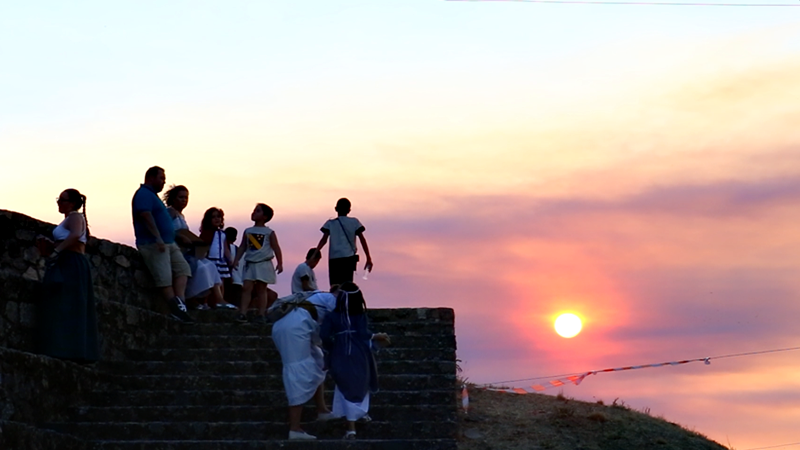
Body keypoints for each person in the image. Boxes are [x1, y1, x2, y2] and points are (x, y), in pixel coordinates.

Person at [36, 189, 100, 363]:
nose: (59, 203)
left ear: (71, 203)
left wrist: (56, 250)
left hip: (72, 263)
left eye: (62, 200)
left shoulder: (75, 217)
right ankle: (62, 348)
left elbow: (76, 235)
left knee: (69, 305)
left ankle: (71, 350)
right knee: (62, 304)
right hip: (65, 262)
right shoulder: (68, 219)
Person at [320, 282, 390, 439]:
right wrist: (376, 336)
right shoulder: (360, 316)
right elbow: (364, 333)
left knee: (344, 387)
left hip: (339, 354)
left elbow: (324, 336)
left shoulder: (331, 317)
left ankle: (351, 428)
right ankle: (359, 415)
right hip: (360, 354)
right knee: (361, 384)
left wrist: (331, 347)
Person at [270, 290, 338, 440]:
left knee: (319, 361)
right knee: (299, 370)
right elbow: (336, 325)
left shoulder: (321, 297)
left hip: (297, 325)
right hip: (293, 329)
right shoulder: (331, 300)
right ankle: (295, 429)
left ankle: (322, 410)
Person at [131, 166, 193, 323]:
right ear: (151, 177)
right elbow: (146, 215)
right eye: (161, 179)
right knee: (164, 278)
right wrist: (157, 237)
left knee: (183, 269)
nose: (163, 182)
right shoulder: (143, 194)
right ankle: (176, 309)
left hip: (169, 242)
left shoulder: (154, 197)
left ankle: (180, 304)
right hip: (153, 243)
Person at [163, 185, 235, 310]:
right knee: (201, 268)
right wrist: (180, 237)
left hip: (186, 250)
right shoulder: (170, 212)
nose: (184, 200)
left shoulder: (181, 216)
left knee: (211, 267)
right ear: (173, 198)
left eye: (186, 197)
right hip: (176, 250)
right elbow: (165, 228)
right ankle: (192, 299)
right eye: (181, 197)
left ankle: (219, 299)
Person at [232, 203, 283, 324]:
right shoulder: (248, 231)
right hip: (250, 263)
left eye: (258, 211)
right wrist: (236, 260)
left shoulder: (269, 232)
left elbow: (276, 247)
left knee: (261, 290)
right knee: (246, 288)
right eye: (254, 210)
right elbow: (243, 246)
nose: (254, 212)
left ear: (265, 216)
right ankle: (243, 313)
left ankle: (261, 314)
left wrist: (280, 263)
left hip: (263, 263)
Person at [316, 198, 373, 288]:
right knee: (347, 287)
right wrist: (368, 258)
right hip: (348, 259)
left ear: (336, 209)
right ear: (349, 210)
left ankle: (336, 301)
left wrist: (315, 252)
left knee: (335, 287)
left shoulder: (330, 223)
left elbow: (323, 240)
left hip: (334, 259)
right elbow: (362, 240)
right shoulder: (354, 222)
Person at [199, 207, 233, 283]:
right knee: (212, 281)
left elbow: (226, 248)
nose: (216, 219)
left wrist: (230, 260)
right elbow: (202, 247)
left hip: (221, 261)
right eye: (213, 217)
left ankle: (221, 295)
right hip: (210, 260)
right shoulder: (206, 233)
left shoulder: (223, 234)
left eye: (218, 216)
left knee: (221, 281)